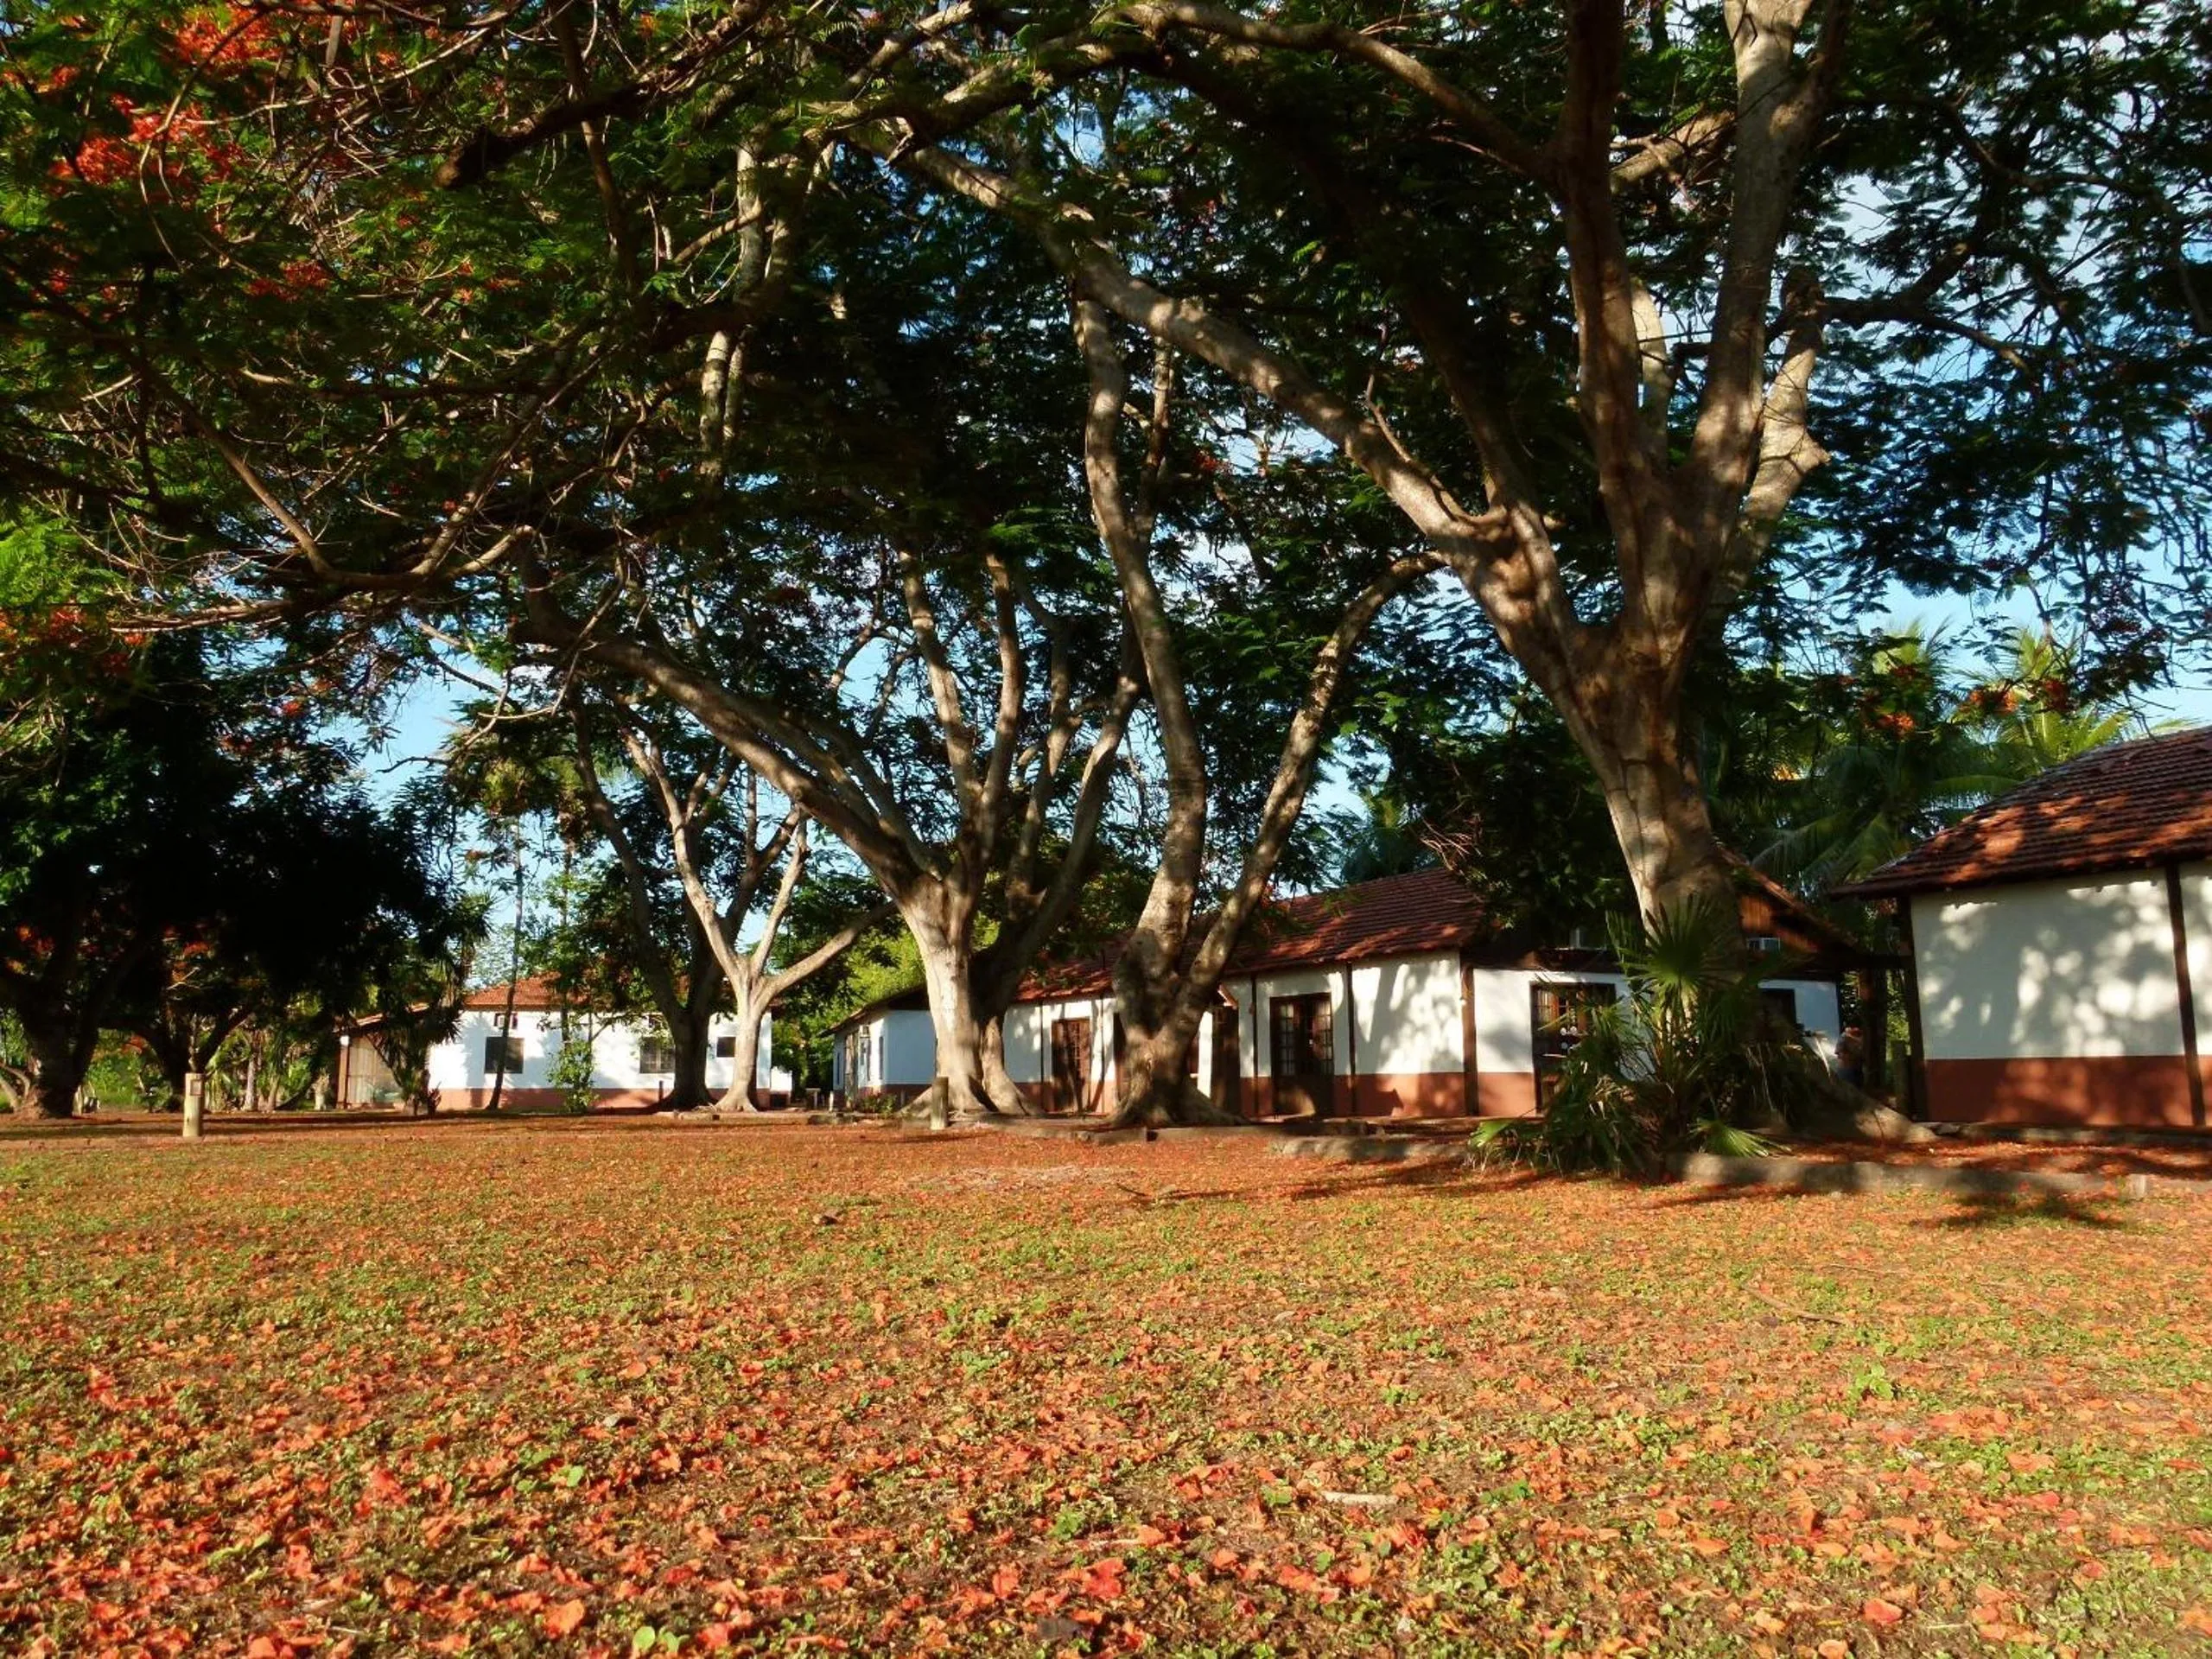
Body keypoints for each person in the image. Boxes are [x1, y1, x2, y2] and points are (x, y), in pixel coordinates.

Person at [1834, 1025, 1866, 1090]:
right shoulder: (1844, 1037)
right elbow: (1840, 1053)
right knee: (1847, 1089)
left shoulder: (1859, 1038)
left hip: (1857, 1068)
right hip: (1846, 1069)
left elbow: (1860, 1048)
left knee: (1858, 1089)